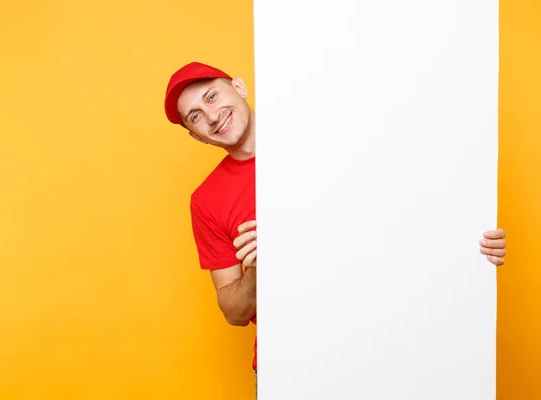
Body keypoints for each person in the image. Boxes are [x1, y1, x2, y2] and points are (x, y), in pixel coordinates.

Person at [163, 61, 508, 390]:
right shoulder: (206, 200)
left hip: (384, 343)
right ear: (197, 137)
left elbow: (407, 207)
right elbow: (233, 313)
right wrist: (257, 270)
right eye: (195, 116)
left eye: (212, 96)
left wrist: (470, 241)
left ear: (239, 87)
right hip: (291, 364)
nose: (211, 115)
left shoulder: (329, 134)